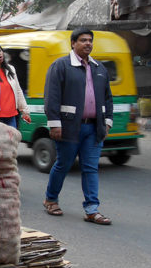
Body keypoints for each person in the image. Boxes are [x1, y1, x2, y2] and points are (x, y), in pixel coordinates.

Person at [42, 29, 114, 225]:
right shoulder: (61, 66)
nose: (88, 44)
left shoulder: (99, 68)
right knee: (63, 164)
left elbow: (108, 98)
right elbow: (52, 97)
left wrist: (107, 122)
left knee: (90, 168)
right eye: (83, 40)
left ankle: (92, 209)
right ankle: (51, 199)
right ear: (73, 43)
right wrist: (55, 124)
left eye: (90, 40)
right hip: (68, 128)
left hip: (93, 129)